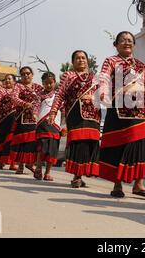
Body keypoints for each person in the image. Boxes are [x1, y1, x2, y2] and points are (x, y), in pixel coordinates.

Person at [98, 31, 145, 199]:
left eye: (130, 40)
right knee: (120, 145)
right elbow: (103, 78)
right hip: (119, 108)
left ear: (134, 45)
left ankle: (139, 185)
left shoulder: (141, 66)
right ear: (115, 45)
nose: (127, 42)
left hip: (140, 110)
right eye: (122, 40)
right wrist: (103, 92)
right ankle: (118, 185)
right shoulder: (111, 61)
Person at [49, 50, 101, 188]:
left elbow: (103, 95)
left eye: (83, 58)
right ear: (72, 62)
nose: (81, 60)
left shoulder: (95, 77)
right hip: (75, 114)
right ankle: (76, 176)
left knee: (90, 144)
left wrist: (94, 97)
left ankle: (83, 173)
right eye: (77, 58)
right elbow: (59, 94)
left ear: (87, 61)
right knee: (79, 144)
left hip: (93, 115)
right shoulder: (68, 75)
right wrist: (53, 111)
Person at [10, 66, 43, 174]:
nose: (26, 75)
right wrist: (24, 103)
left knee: (32, 142)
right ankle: (20, 165)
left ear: (32, 75)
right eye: (23, 74)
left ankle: (30, 163)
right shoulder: (18, 86)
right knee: (22, 142)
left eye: (28, 73)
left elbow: (45, 96)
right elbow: (14, 98)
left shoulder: (38, 87)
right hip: (22, 117)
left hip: (35, 118)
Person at [33, 72, 62, 181]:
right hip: (42, 123)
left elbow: (63, 109)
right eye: (46, 83)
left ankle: (48, 172)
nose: (49, 85)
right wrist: (35, 114)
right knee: (42, 147)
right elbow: (35, 107)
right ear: (43, 84)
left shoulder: (59, 95)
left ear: (54, 82)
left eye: (51, 83)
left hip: (55, 124)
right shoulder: (39, 95)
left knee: (53, 149)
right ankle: (39, 168)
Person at [0, 74, 18, 171]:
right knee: (2, 140)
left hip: (15, 118)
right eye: (6, 79)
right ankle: (0, 162)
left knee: (13, 141)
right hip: (3, 119)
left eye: (9, 79)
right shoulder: (1, 91)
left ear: (14, 81)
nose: (7, 81)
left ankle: (12, 163)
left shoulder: (18, 89)